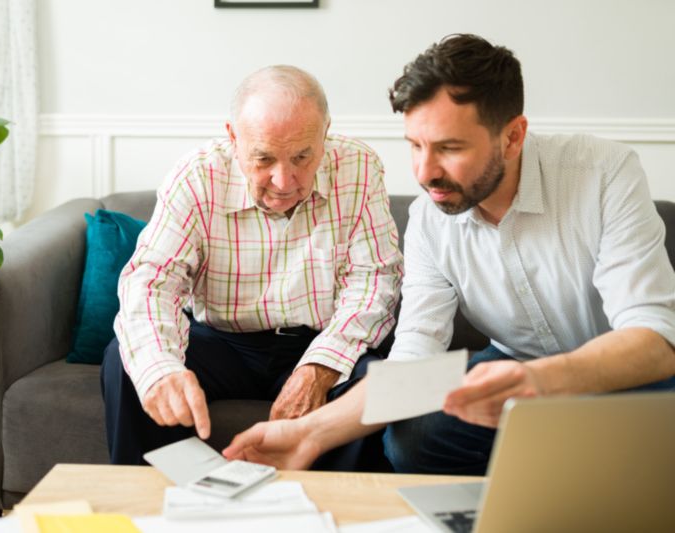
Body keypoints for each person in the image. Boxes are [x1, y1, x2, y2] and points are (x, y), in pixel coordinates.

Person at [222, 34, 675, 475]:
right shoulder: (429, 219)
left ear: (513, 137)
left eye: (449, 148)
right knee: (412, 436)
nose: (425, 172)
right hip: (513, 364)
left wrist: (544, 381)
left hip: (624, 369)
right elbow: (414, 359)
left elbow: (655, 339)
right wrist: (309, 434)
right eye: (415, 146)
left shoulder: (603, 173)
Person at [101, 65, 403, 466]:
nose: (284, 181)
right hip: (222, 342)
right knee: (126, 360)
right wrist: (160, 368)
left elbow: (374, 281)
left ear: (325, 132)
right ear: (233, 137)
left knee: (374, 385)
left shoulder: (359, 168)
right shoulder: (197, 177)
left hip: (319, 340)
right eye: (264, 159)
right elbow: (153, 281)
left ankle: (331, 505)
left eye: (302, 156)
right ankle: (160, 499)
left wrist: (321, 366)